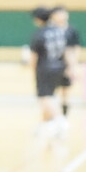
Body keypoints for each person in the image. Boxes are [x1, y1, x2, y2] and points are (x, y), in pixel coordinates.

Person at [30, 7, 74, 139]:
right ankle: (45, 124)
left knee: (45, 97)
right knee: (51, 96)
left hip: (45, 68)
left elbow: (34, 57)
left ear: (38, 19)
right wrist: (70, 67)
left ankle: (60, 121)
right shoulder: (59, 31)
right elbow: (67, 51)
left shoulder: (40, 34)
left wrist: (33, 70)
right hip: (60, 67)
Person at [51, 6, 81, 122]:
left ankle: (64, 118)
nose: (61, 16)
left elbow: (76, 47)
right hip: (53, 64)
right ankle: (53, 116)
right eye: (58, 14)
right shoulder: (50, 30)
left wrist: (73, 65)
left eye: (62, 13)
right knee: (52, 91)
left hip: (68, 64)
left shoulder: (71, 30)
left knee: (65, 91)